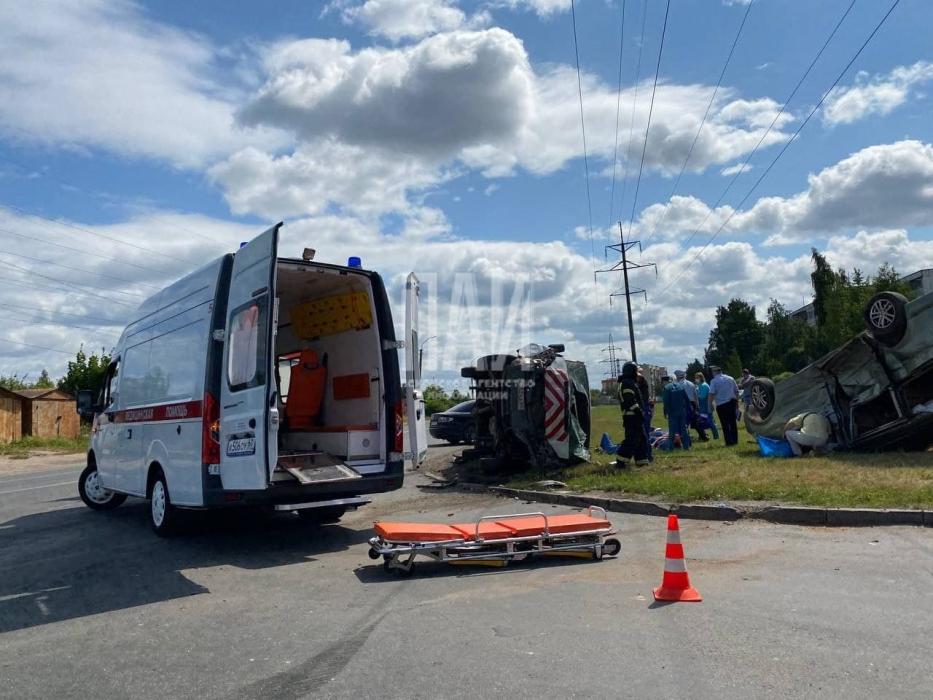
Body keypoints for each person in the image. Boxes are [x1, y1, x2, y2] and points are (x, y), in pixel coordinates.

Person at [615, 362, 649, 467]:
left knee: (641, 439)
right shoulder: (627, 383)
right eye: (636, 371)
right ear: (632, 371)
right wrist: (639, 412)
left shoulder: (630, 382)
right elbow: (630, 400)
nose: (637, 373)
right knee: (632, 439)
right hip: (632, 416)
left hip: (634, 416)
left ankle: (641, 461)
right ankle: (621, 460)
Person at [709, 365, 740, 446]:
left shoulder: (714, 381)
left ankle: (729, 442)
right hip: (731, 402)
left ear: (714, 372)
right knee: (733, 423)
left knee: (725, 424)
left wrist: (710, 404)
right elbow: (736, 391)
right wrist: (737, 403)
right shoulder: (730, 378)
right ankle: (735, 440)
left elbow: (711, 393)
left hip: (721, 404)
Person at [661, 374, 691, 450]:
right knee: (683, 429)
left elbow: (666, 402)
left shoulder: (667, 388)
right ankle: (686, 446)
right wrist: (688, 409)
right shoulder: (680, 386)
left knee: (672, 430)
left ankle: (671, 447)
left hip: (672, 412)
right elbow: (687, 399)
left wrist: (665, 412)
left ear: (666, 381)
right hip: (682, 411)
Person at [694, 371, 720, 441]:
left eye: (697, 377)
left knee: (710, 422)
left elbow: (702, 396)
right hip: (702, 407)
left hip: (706, 407)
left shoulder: (704, 386)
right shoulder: (699, 386)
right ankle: (702, 436)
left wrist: (696, 392)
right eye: (695, 378)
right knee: (701, 422)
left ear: (701, 378)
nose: (696, 379)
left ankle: (716, 436)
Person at [675, 369, 700, 439]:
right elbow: (695, 396)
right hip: (692, 404)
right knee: (694, 421)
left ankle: (685, 437)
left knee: (683, 422)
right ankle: (703, 436)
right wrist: (697, 406)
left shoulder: (678, 385)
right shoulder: (691, 383)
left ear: (678, 376)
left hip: (683, 404)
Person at [636, 367, 654, 462]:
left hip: (644, 410)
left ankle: (648, 455)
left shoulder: (641, 382)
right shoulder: (642, 382)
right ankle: (647, 455)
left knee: (645, 434)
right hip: (645, 409)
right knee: (644, 434)